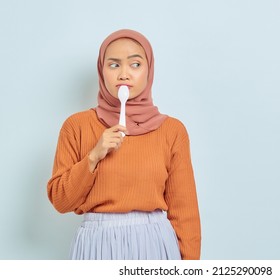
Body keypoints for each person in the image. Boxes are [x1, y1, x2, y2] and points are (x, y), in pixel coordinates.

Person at [47, 29, 201, 260]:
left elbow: (185, 213)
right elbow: (61, 201)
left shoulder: (172, 131)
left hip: (154, 243)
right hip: (95, 245)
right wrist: (94, 156)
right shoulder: (76, 126)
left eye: (135, 64)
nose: (124, 74)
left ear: (149, 70)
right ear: (102, 70)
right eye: (114, 65)